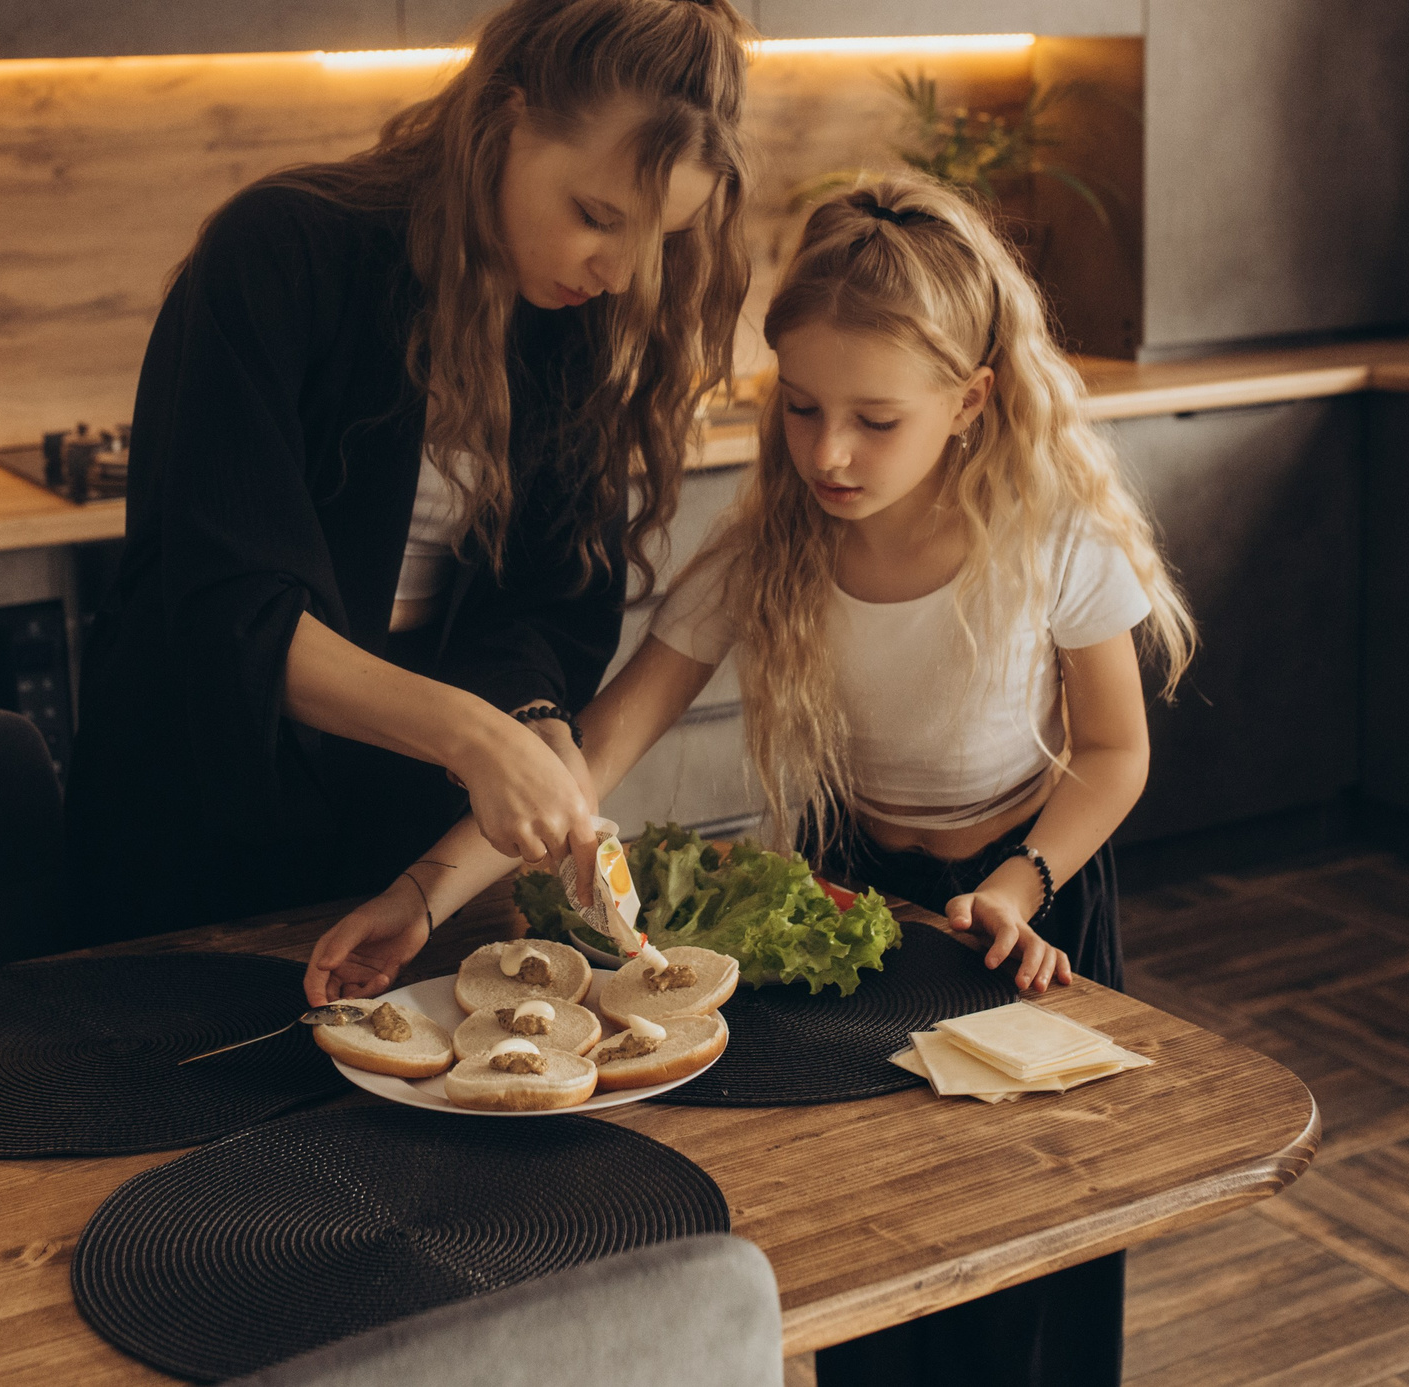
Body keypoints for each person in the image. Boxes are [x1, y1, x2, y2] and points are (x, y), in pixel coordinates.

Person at [308, 171, 1192, 1387]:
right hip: (862, 912)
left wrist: (1018, 884)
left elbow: (1115, 754)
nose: (827, 453)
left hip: (1030, 905)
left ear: (970, 401)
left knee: (1033, 1245)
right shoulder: (765, 549)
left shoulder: (1055, 537)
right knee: (881, 1233)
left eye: (874, 420)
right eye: (801, 408)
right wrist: (422, 895)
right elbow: (587, 756)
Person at [64, 0, 754, 943]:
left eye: (659, 237)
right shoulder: (283, 252)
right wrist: (474, 737)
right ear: (505, 118)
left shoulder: (579, 322)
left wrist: (530, 719)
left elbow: (547, 606)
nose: (619, 270)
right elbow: (231, 609)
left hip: (399, 836)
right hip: (196, 820)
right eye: (596, 216)